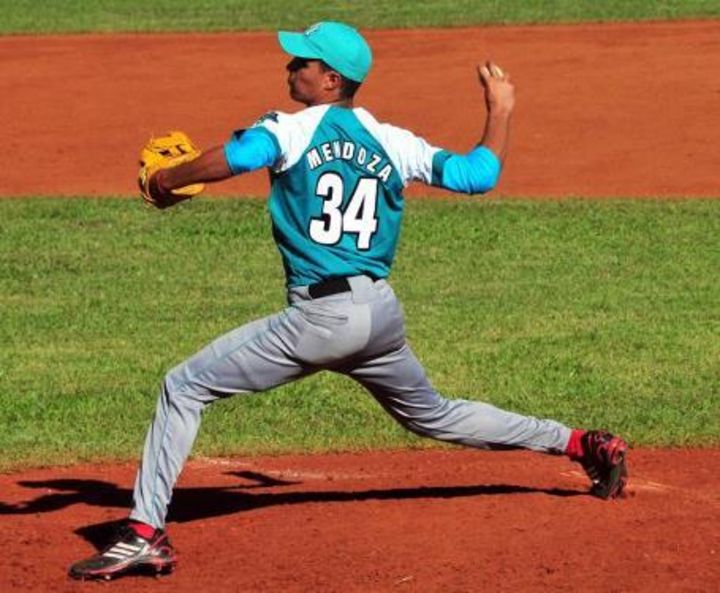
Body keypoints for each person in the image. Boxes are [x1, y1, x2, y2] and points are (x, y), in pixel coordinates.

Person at [69, 21, 628, 581]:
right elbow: (476, 175)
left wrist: (166, 180)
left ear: (331, 80)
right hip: (378, 315)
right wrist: (500, 109)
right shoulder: (393, 140)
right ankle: (581, 443)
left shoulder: (290, 129)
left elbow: (238, 157)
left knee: (184, 386)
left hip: (320, 319)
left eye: (303, 62)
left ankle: (143, 535)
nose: (291, 68)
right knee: (435, 414)